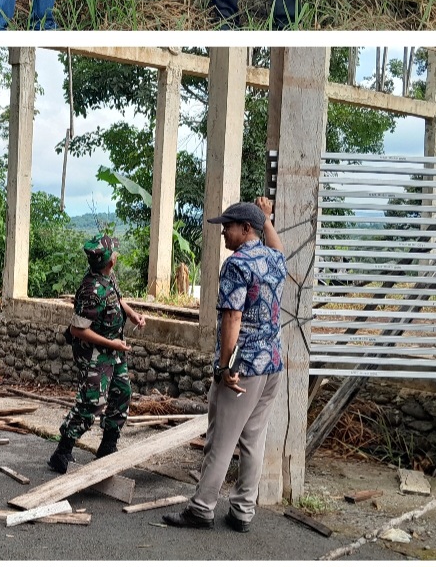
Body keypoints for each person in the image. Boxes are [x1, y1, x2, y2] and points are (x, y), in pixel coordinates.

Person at [163, 198, 285, 533]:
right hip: (272, 362)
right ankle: (243, 511)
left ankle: (201, 508)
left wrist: (223, 367)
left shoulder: (237, 264)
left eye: (227, 227)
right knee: (253, 439)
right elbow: (277, 246)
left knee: (221, 439)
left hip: (242, 367)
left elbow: (232, 316)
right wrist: (268, 219)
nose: (223, 233)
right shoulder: (273, 259)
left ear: (246, 229)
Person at [47, 234, 146, 474]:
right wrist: (112, 344)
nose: (117, 255)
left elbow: (116, 299)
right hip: (95, 355)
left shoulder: (107, 277)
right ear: (110, 260)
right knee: (92, 403)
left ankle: (107, 448)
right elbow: (78, 330)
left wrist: (131, 314)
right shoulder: (91, 290)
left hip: (114, 351)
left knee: (121, 394)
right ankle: (62, 452)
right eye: (115, 253)